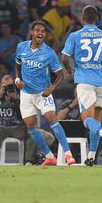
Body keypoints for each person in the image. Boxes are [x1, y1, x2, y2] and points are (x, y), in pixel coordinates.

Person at [61, 5, 102, 166]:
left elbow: (65, 58)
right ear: (96, 19)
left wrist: (67, 69)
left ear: (82, 18)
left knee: (86, 118)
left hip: (85, 81)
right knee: (97, 117)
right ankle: (92, 157)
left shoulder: (74, 36)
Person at [15, 20, 75, 166]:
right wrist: (17, 80)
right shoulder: (21, 47)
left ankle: (68, 155)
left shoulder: (49, 53)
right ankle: (49, 157)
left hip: (43, 93)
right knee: (30, 126)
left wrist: (51, 88)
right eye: (37, 30)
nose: (40, 33)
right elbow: (17, 64)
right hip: (26, 94)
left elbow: (60, 75)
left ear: (45, 34)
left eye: (43, 31)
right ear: (32, 32)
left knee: (52, 120)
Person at [0, 74, 55, 165]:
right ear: (0, 84)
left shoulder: (21, 92)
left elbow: (26, 113)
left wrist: (16, 100)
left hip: (19, 126)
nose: (7, 88)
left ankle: (29, 161)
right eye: (5, 86)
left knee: (35, 133)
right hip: (0, 126)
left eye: (10, 85)